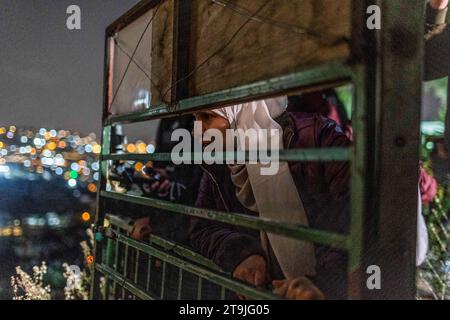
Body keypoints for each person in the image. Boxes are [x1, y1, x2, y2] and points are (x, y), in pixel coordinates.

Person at [189, 97, 350, 299]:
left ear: (241, 112)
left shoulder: (317, 137)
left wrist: (324, 284)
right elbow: (203, 224)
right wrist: (243, 253)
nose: (196, 130)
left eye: (208, 117)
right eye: (195, 117)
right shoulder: (222, 161)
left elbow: (359, 221)